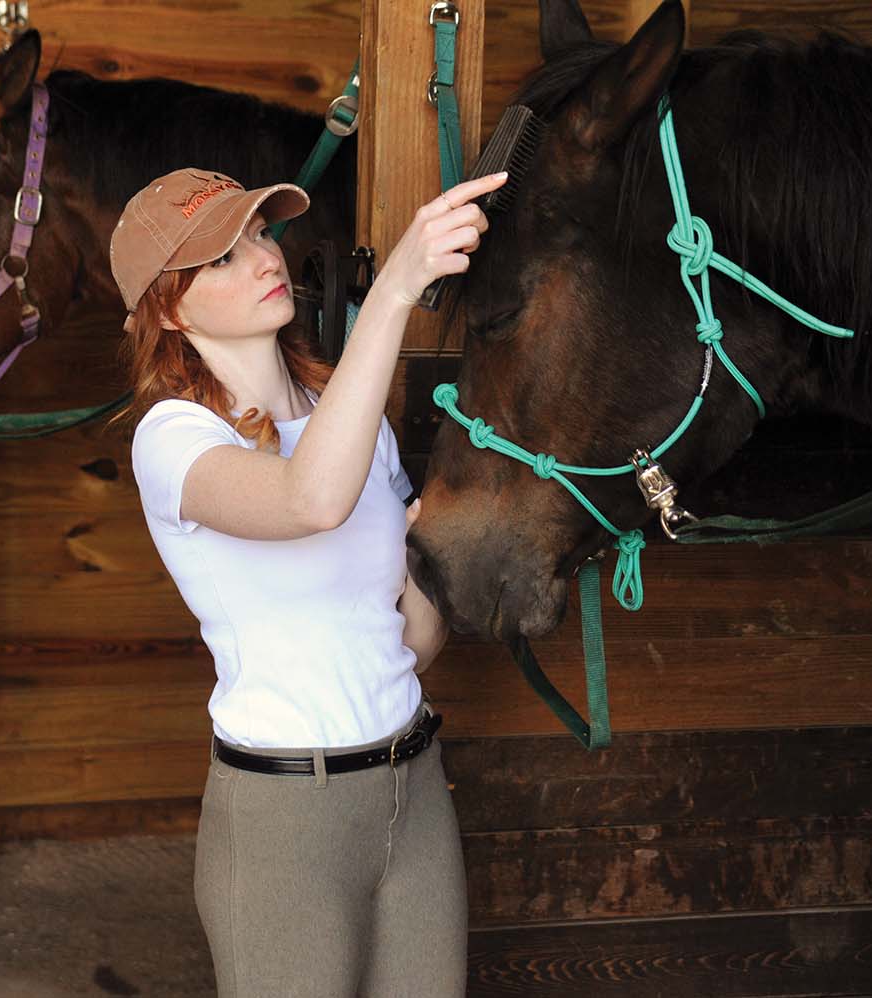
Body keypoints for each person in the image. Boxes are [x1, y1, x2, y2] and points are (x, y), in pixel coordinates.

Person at [110, 165, 505, 997]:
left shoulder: (349, 418)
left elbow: (413, 643)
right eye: (220, 257)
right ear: (171, 309)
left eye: (259, 233)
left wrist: (444, 527)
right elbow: (310, 499)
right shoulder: (172, 439)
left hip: (414, 789)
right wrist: (397, 287)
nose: (262, 257)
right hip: (285, 814)